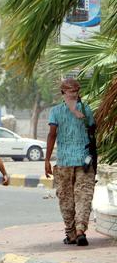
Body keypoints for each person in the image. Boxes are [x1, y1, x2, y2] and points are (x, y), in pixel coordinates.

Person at [45, 78, 96, 247]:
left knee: (66, 198)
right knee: (83, 196)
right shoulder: (86, 109)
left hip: (65, 161)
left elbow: (52, 134)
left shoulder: (55, 111)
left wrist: (47, 159)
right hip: (84, 160)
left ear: (62, 93)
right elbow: (92, 129)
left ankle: (71, 234)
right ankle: (80, 230)